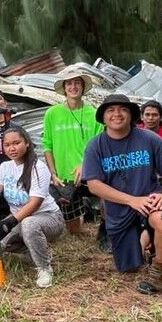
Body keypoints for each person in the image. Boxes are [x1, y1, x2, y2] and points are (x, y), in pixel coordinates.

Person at [82, 94, 162, 294]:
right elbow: (94, 185)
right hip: (120, 208)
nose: (117, 114)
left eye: (122, 109)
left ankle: (159, 270)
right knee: (129, 267)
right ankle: (147, 237)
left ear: (131, 115)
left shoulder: (148, 138)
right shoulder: (96, 146)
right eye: (110, 110)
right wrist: (131, 200)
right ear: (103, 118)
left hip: (150, 200)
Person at [0, 127, 65, 288]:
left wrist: (8, 223)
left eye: (16, 143)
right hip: (19, 219)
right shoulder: (5, 167)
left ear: (27, 143)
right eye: (7, 145)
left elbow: (35, 203)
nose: (12, 148)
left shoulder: (38, 168)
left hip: (49, 217)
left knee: (29, 224)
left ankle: (44, 268)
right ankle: (32, 250)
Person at [42, 65, 105, 244]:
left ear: (83, 87)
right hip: (64, 174)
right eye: (69, 83)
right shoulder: (52, 114)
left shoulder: (94, 113)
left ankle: (106, 229)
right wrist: (53, 173)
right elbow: (47, 145)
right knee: (74, 232)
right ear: (64, 88)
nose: (73, 87)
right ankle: (79, 223)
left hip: (91, 169)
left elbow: (99, 144)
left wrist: (85, 164)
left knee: (106, 196)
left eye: (77, 83)